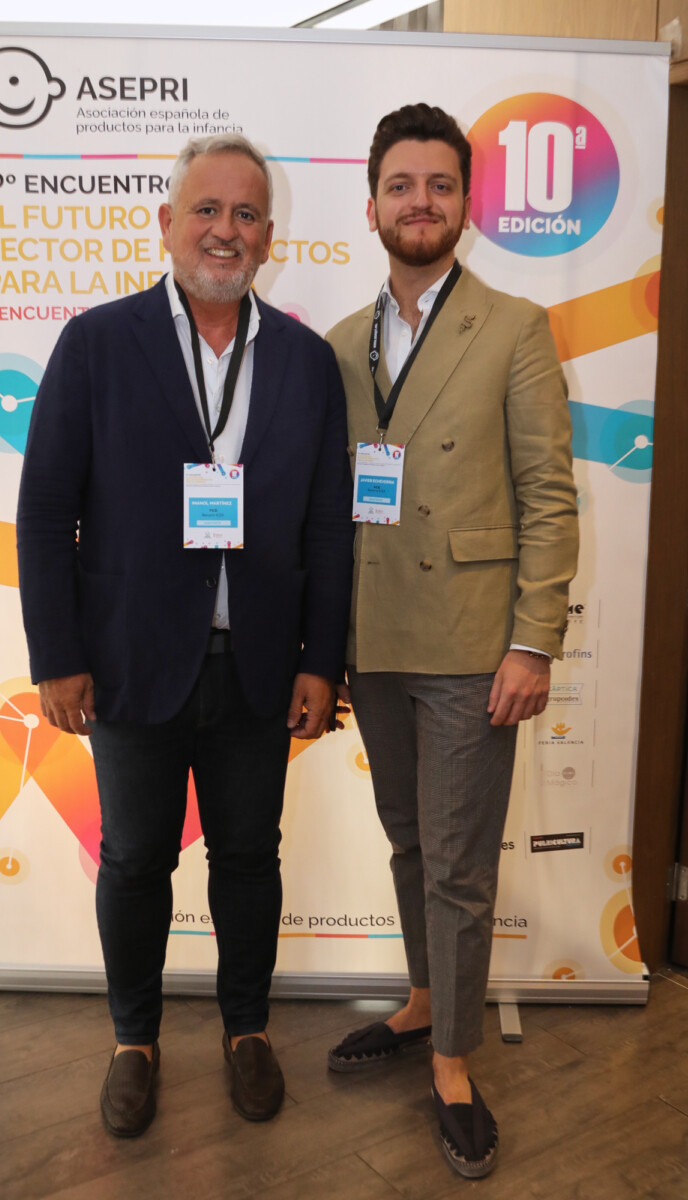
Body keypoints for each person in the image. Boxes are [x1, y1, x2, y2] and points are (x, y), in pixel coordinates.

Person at [17, 134, 353, 1137]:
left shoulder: (303, 360)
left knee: (249, 858)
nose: (224, 231)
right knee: (133, 862)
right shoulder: (95, 343)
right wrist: (58, 657)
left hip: (258, 666)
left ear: (268, 236)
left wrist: (319, 661)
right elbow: (45, 513)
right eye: (206, 209)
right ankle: (134, 1040)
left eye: (245, 214)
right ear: (167, 224)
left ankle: (247, 1029)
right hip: (128, 663)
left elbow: (327, 527)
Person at [326, 104, 578, 1178]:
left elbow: (548, 495)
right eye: (400, 185)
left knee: (459, 865)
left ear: (465, 203)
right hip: (374, 635)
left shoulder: (513, 326)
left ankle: (453, 1062)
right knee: (408, 840)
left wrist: (533, 643)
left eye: (437, 184)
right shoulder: (340, 342)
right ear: (372, 205)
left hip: (475, 641)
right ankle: (425, 997)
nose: (418, 202)